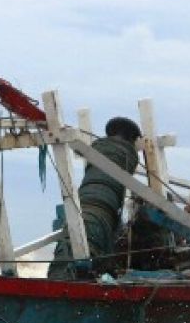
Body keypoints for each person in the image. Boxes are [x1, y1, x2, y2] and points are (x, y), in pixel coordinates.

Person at [48, 116, 142, 279]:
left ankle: (61, 275)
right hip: (104, 211)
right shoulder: (129, 153)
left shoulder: (97, 146)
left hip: (82, 207)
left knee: (74, 236)